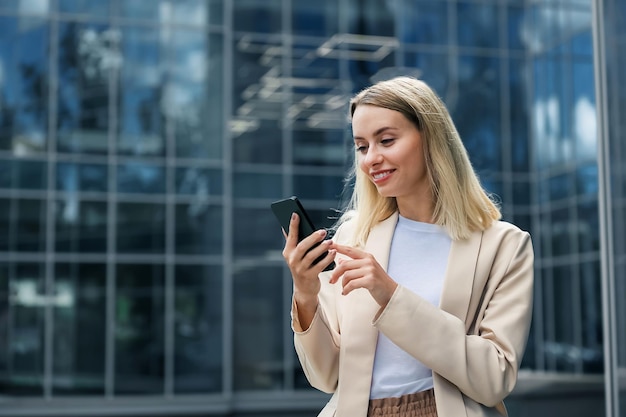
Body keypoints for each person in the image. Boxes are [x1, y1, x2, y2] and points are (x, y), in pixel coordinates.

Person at [280, 76, 534, 417]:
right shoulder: (352, 237)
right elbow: (326, 376)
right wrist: (306, 294)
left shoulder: (503, 246)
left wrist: (390, 294)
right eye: (362, 146)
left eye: (386, 140)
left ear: (431, 139)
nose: (371, 159)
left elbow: (494, 378)